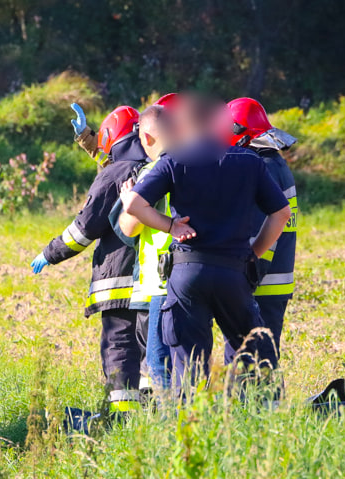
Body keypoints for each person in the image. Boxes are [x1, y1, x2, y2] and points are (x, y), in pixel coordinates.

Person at [121, 100, 291, 396]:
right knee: (252, 353)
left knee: (188, 365)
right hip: (234, 273)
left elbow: (135, 204)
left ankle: (189, 430)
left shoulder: (174, 160)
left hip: (187, 274)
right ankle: (255, 419)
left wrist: (171, 226)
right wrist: (254, 253)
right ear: (218, 124)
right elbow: (281, 213)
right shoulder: (248, 161)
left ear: (181, 127)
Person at [31, 106, 149, 413]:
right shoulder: (155, 167)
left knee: (120, 349)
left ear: (111, 137)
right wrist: (86, 139)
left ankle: (124, 420)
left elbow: (83, 230)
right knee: (152, 351)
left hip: (119, 285)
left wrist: (49, 253)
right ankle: (153, 418)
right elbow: (121, 164)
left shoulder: (113, 175)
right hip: (154, 283)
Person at [113, 93, 180, 400]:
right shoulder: (199, 162)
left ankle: (169, 427)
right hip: (197, 277)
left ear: (149, 137)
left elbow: (128, 227)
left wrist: (129, 200)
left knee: (157, 361)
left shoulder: (154, 172)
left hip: (160, 280)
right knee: (189, 360)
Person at [224, 97, 298, 355]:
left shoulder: (260, 167)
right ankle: (269, 397)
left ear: (238, 132)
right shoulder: (275, 162)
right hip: (277, 280)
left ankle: (249, 398)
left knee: (246, 358)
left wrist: (246, 275)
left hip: (261, 280)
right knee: (266, 359)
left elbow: (259, 229)